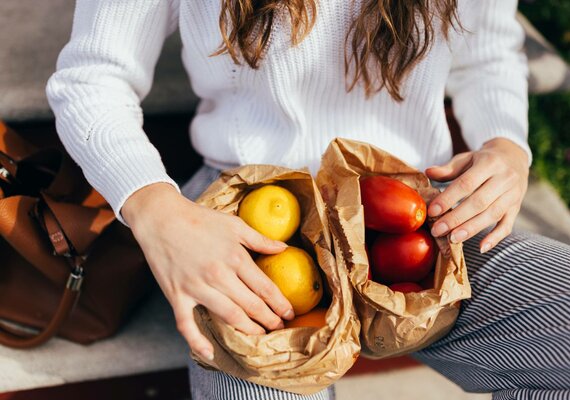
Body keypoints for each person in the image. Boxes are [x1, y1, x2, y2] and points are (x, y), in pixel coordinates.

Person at [46, 1, 569, 399]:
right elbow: (93, 77)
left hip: (416, 221)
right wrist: (154, 209)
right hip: (248, 220)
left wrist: (505, 145)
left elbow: (488, 52)